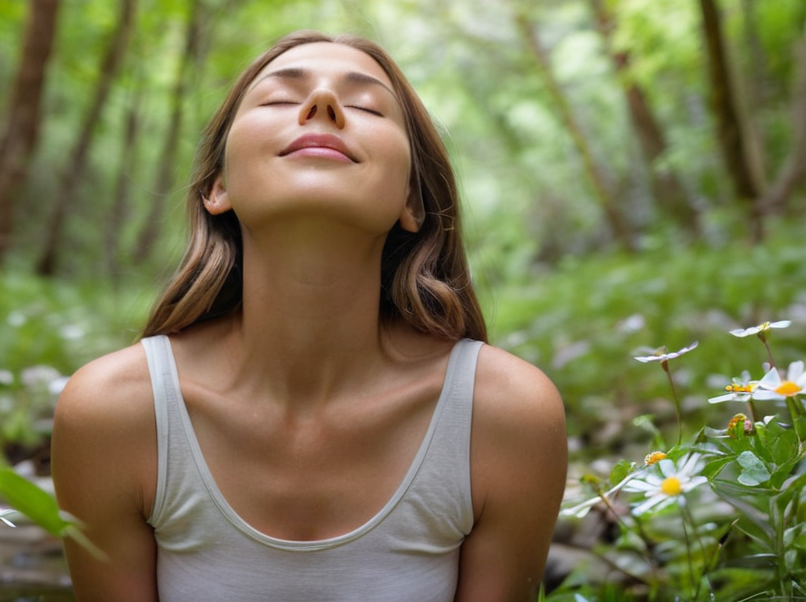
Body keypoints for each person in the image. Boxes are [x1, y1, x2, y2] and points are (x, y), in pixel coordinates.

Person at [51, 31, 568, 601]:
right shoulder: (113, 413)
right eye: (277, 99)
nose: (321, 106)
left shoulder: (506, 418)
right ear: (218, 187)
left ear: (412, 201)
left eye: (367, 105)